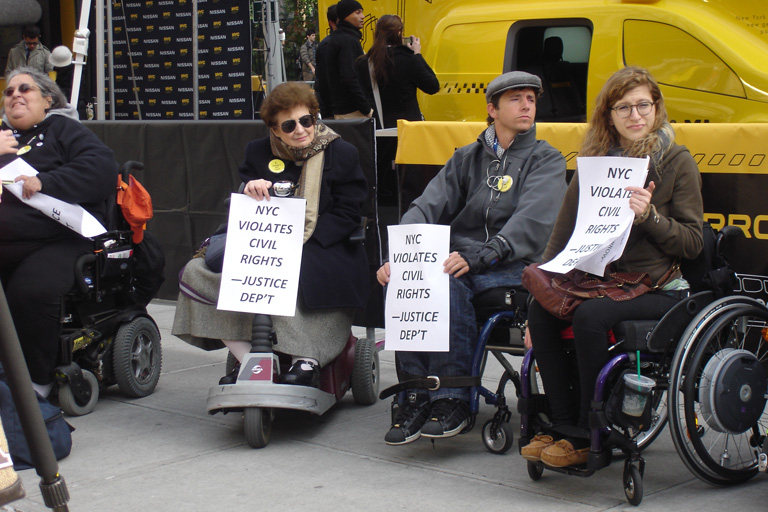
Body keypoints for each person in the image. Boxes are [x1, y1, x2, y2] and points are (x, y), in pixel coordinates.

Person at [521, 67, 704, 468]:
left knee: (589, 316)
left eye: (643, 105)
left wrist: (649, 216)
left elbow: (693, 243)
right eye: (624, 107)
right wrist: (543, 286)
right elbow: (562, 235)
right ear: (609, 115)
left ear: (656, 109)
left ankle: (593, 430)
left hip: (656, 287)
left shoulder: (675, 161)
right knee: (541, 309)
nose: (635, 115)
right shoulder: (596, 165)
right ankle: (562, 425)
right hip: (598, 281)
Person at [376, 71, 567, 445]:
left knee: (445, 281)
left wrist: (484, 254)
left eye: (531, 98)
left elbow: (533, 221)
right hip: (464, 259)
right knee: (406, 278)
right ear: (492, 109)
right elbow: (424, 207)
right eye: (515, 98)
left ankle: (452, 398)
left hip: (515, 265)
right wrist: (402, 255)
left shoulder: (546, 158)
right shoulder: (467, 157)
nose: (527, 104)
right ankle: (414, 394)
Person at [172, 81, 370, 389]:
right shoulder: (258, 153)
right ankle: (249, 357)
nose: (301, 130)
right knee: (198, 271)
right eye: (289, 126)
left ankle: (308, 357)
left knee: (284, 269)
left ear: (315, 117)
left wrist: (296, 242)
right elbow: (246, 205)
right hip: (264, 240)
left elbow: (348, 213)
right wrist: (250, 190)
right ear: (275, 130)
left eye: (307, 120)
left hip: (323, 245)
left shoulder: (341, 153)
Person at [0, 67, 118, 397]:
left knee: (30, 291)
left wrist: (46, 182)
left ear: (47, 101)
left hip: (58, 239)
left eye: (25, 89)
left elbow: (101, 169)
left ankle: (36, 383)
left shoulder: (62, 130)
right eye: (9, 92)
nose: (15, 96)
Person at [355, 14, 439, 128]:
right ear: (398, 33)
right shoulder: (408, 59)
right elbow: (433, 86)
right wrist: (417, 54)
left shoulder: (365, 62)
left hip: (381, 127)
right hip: (408, 127)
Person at [320, 0, 373, 119]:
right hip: (352, 111)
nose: (362, 16)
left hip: (347, 109)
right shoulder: (347, 40)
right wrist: (366, 108)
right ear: (345, 16)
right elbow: (349, 77)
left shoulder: (342, 38)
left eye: (362, 12)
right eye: (357, 12)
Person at [314, 4, 338, 119]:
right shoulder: (328, 45)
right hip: (333, 110)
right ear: (332, 23)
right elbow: (325, 80)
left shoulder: (346, 42)